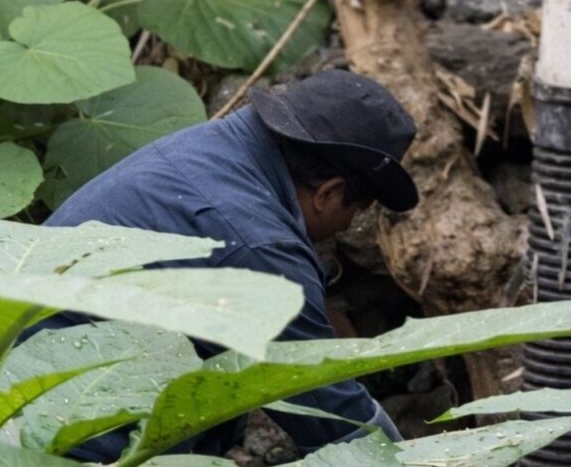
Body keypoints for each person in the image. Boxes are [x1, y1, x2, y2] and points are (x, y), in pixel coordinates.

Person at [35, 69, 419, 461]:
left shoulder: (217, 144)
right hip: (61, 433)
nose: (348, 226)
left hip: (25, 381)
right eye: (357, 210)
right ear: (328, 193)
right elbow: (339, 425)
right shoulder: (259, 247)